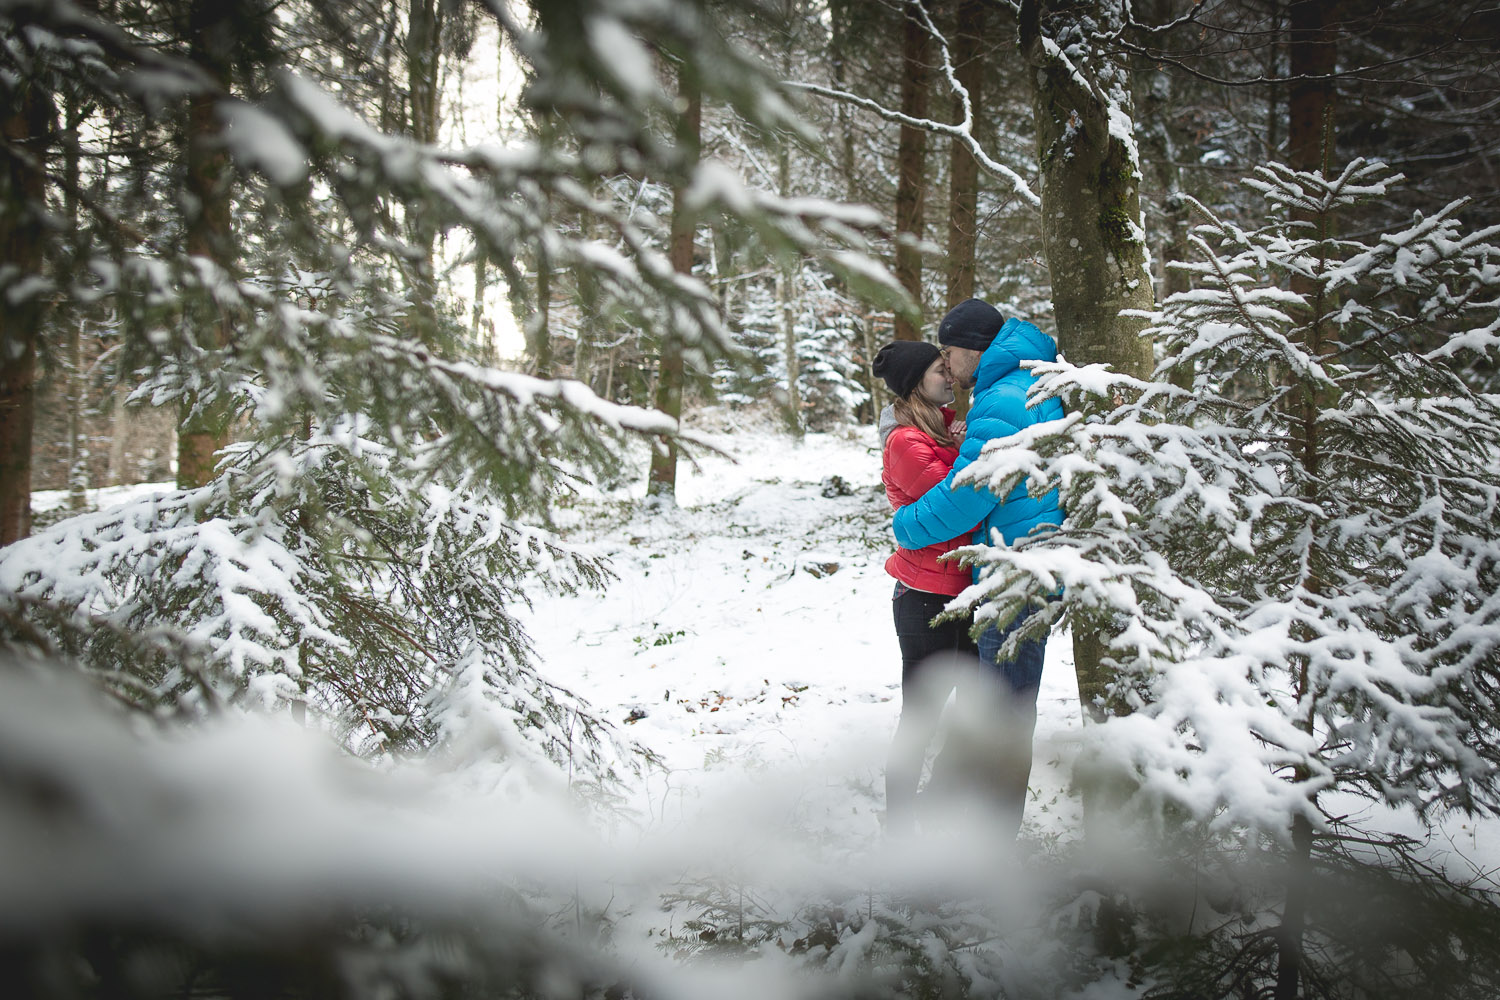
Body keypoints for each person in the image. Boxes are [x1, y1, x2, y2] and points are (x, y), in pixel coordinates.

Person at [891, 298, 1065, 834]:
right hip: (1024, 567)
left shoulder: (1002, 398)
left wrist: (904, 525)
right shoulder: (1022, 382)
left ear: (971, 348)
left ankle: (988, 855)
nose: (948, 365)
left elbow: (968, 494)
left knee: (1003, 723)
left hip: (1012, 577)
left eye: (948, 352)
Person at [870, 339, 976, 838]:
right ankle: (898, 830)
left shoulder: (942, 427)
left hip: (964, 589)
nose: (949, 375)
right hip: (926, 597)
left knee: (978, 710)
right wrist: (970, 445)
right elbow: (957, 500)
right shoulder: (905, 442)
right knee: (922, 717)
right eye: (939, 369)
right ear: (916, 382)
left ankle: (935, 808)